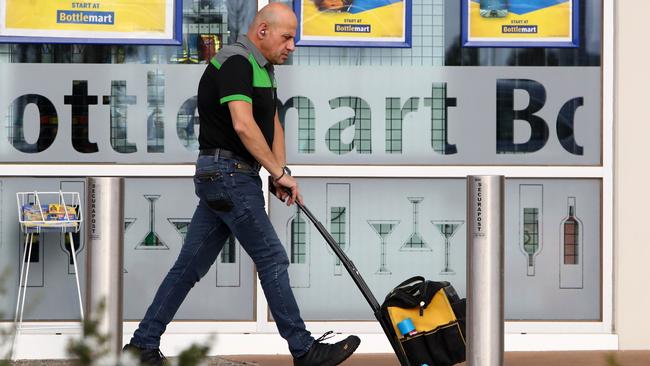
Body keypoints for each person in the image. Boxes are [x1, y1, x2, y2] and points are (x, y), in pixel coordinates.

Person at [123, 3, 361, 366]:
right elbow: (243, 125)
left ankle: (141, 346)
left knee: (189, 267)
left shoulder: (263, 70)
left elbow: (272, 123)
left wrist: (279, 171)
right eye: (286, 37)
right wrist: (277, 174)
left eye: (294, 38)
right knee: (273, 257)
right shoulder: (235, 62)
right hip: (228, 173)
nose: (292, 46)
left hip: (231, 175)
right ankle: (304, 349)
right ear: (262, 31)